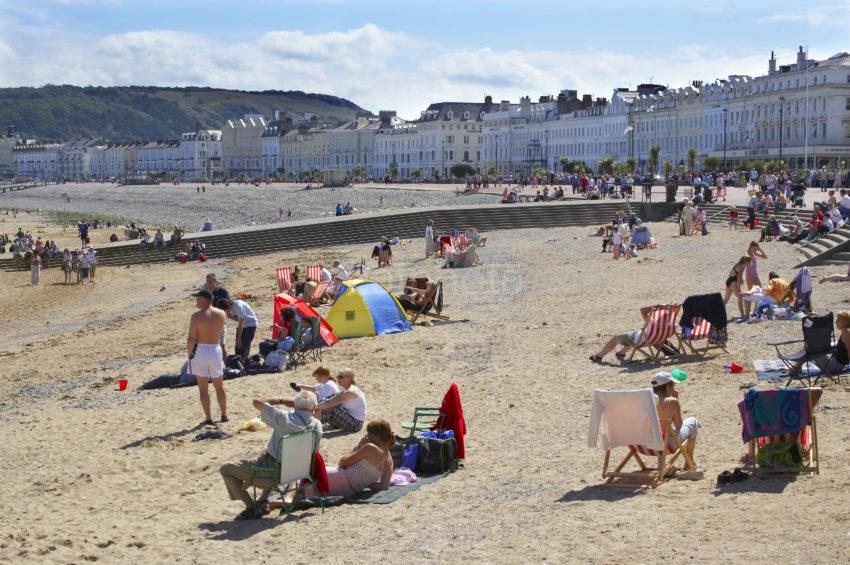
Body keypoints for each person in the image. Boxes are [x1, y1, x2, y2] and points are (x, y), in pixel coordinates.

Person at [219, 390, 322, 520]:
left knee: (225, 469)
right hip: (299, 471)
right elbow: (314, 452)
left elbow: (257, 402)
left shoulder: (284, 417)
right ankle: (263, 500)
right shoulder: (317, 425)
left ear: (295, 404)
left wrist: (280, 400)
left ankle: (252, 506)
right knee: (273, 455)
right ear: (314, 407)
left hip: (273, 472)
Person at [279, 419, 393, 504]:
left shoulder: (369, 448)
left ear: (373, 436)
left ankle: (287, 498)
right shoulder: (389, 460)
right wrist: (364, 482)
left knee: (303, 469)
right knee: (306, 483)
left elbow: (342, 462)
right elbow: (383, 486)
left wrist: (359, 446)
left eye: (368, 434)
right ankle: (289, 498)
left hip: (342, 478)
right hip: (351, 490)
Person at [651, 372, 703, 480]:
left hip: (645, 444)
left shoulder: (646, 401)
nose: (673, 388)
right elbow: (679, 424)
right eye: (672, 385)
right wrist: (676, 401)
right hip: (666, 445)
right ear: (667, 386)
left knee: (658, 429)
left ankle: (661, 463)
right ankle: (689, 462)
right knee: (693, 422)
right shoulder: (671, 401)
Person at [187, 289, 228, 425]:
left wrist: (190, 354)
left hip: (201, 349)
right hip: (215, 349)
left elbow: (191, 338)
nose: (196, 301)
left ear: (205, 299)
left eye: (198, 298)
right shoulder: (221, 314)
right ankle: (224, 415)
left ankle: (209, 418)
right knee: (219, 385)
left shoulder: (196, 316)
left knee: (203, 388)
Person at [589, 304, 679, 363]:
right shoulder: (671, 326)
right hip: (656, 340)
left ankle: (599, 356)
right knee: (634, 335)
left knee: (616, 338)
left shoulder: (652, 323)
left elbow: (642, 310)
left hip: (640, 340)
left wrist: (658, 306)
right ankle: (621, 353)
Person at [314, 368, 367, 432]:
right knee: (325, 401)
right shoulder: (346, 390)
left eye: (341, 377)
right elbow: (329, 399)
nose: (338, 379)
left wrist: (314, 406)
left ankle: (315, 425)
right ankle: (315, 423)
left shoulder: (350, 391)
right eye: (338, 377)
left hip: (355, 424)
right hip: (350, 418)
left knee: (331, 407)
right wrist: (319, 404)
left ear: (349, 378)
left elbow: (329, 404)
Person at [218, 298, 258, 362]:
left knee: (244, 344)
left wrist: (239, 340)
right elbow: (238, 319)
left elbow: (240, 324)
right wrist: (231, 317)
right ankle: (238, 362)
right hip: (243, 324)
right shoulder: (230, 308)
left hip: (251, 324)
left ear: (226, 307)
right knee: (237, 346)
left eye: (224, 310)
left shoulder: (238, 306)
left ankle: (244, 362)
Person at [723, 256, 752, 320]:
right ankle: (742, 315)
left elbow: (732, 274)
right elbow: (739, 276)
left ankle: (716, 312)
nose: (750, 264)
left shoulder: (738, 264)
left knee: (725, 300)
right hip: (733, 282)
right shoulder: (742, 266)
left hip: (729, 281)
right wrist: (738, 285)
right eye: (749, 262)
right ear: (746, 261)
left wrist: (740, 280)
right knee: (740, 299)